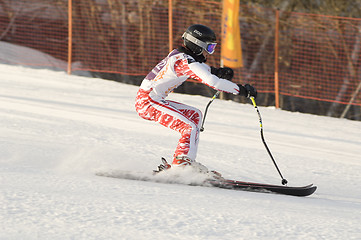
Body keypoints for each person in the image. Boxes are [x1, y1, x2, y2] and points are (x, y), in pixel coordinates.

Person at [135, 24, 257, 173]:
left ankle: (184, 160)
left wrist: (217, 71)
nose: (209, 53)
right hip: (148, 102)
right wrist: (242, 90)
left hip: (152, 100)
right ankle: (181, 165)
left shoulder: (180, 56)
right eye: (209, 48)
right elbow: (213, 82)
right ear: (198, 45)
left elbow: (201, 69)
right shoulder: (184, 61)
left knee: (195, 115)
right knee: (188, 127)